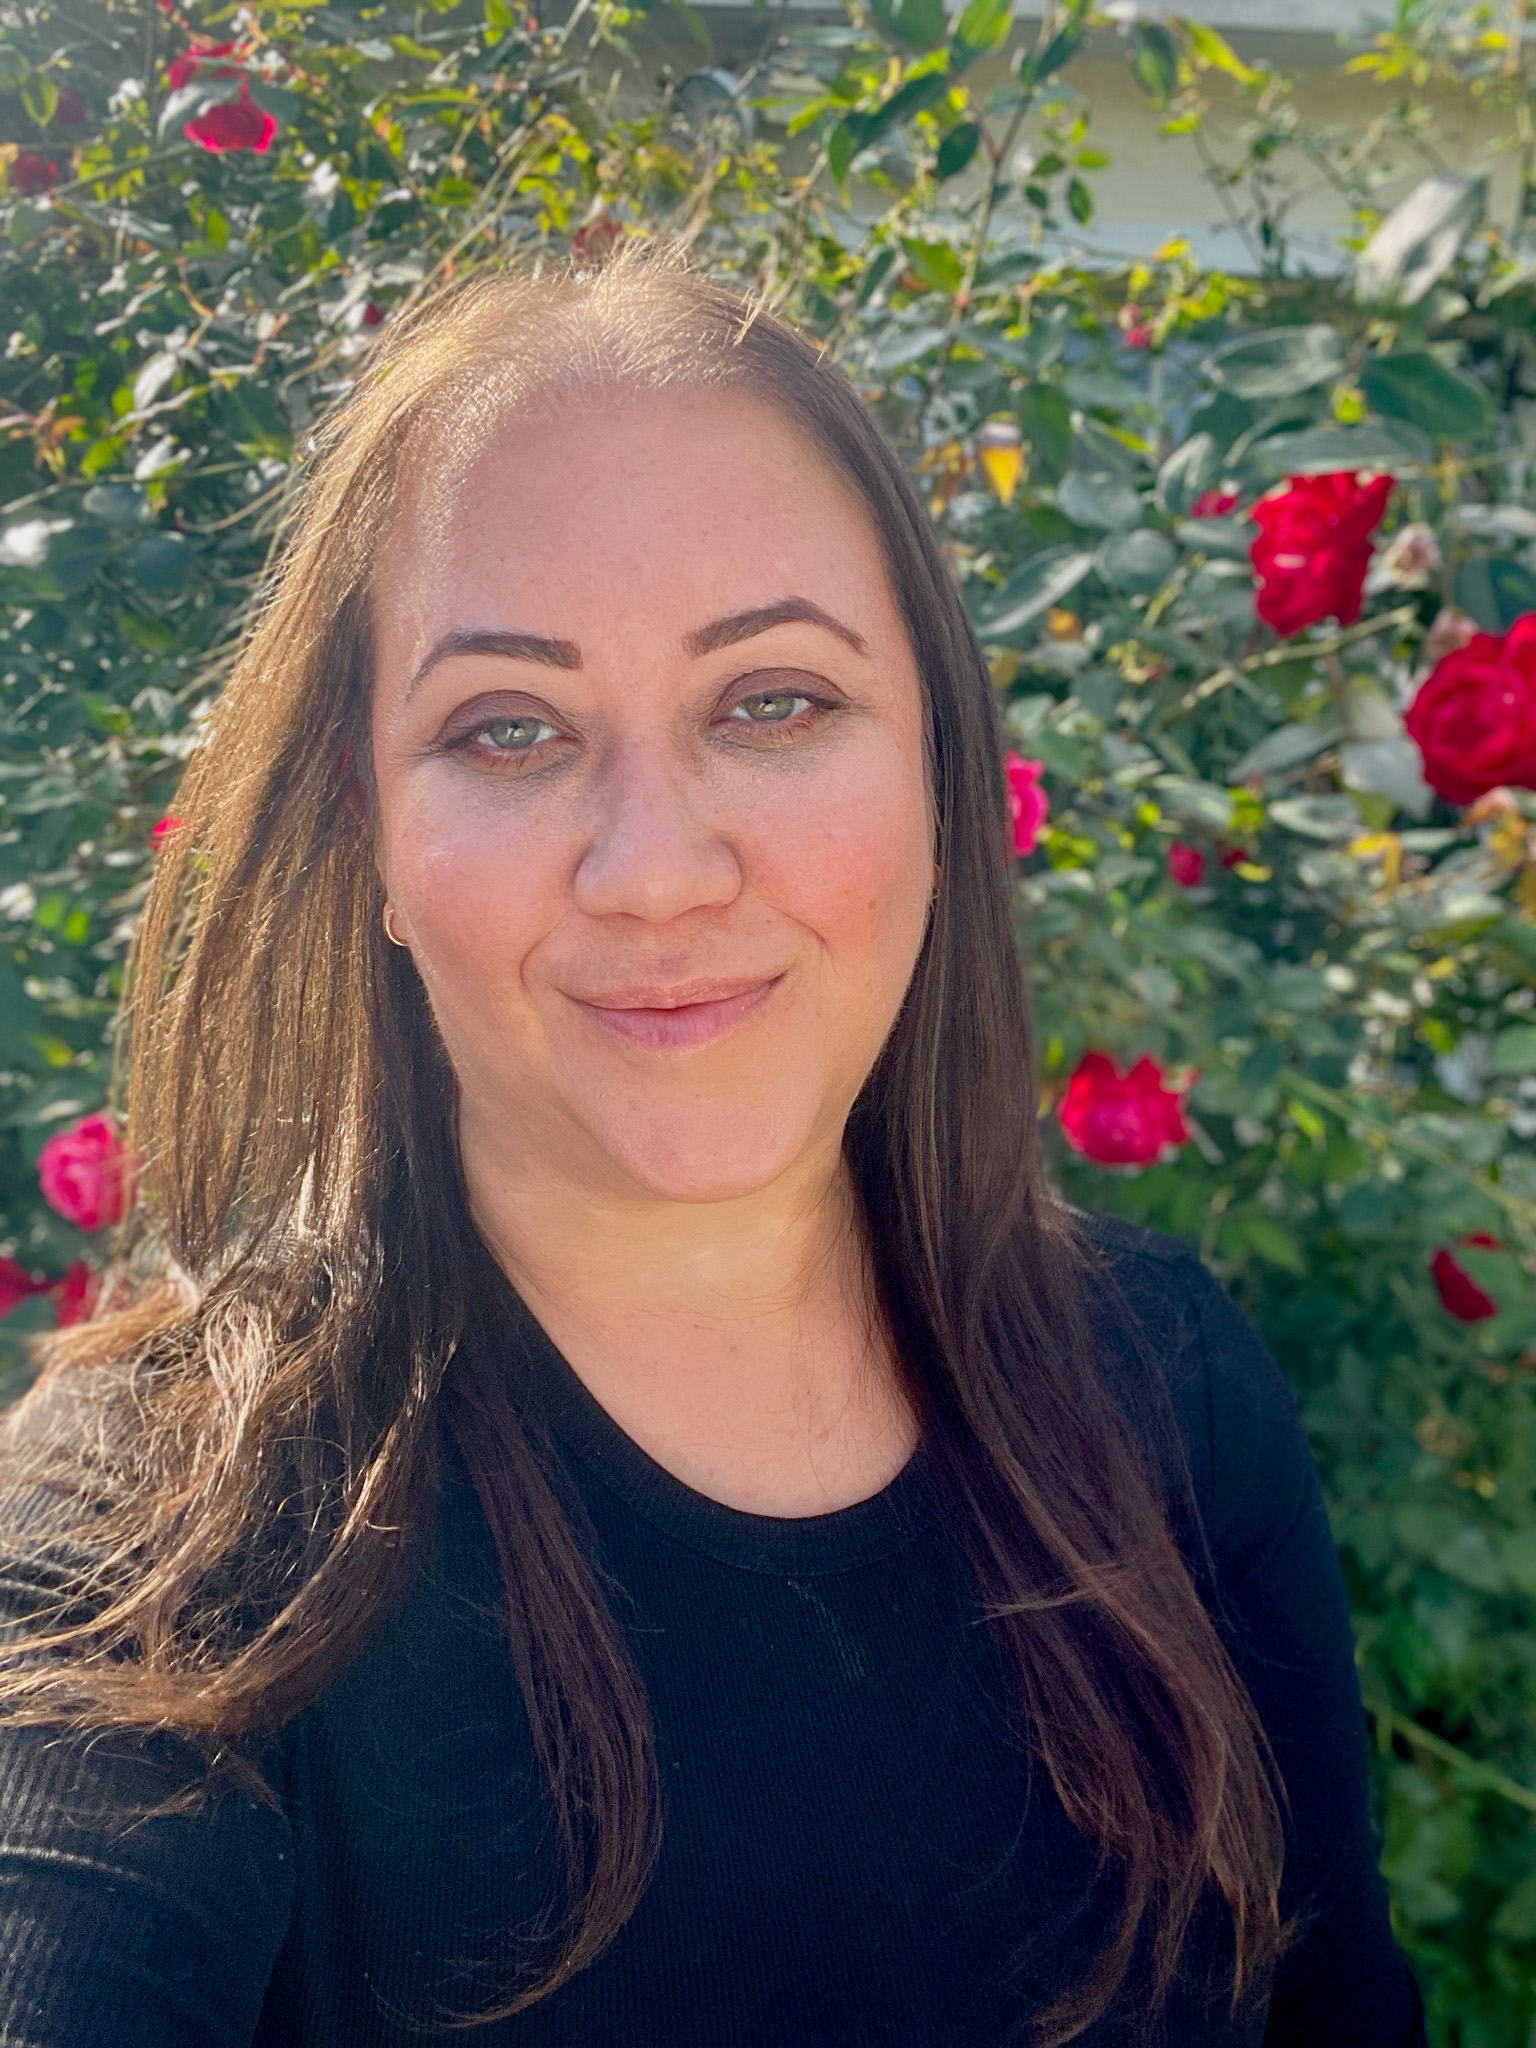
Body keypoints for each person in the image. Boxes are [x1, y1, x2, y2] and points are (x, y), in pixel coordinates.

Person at [0, 247, 1421, 2047]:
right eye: (507, 731)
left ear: (935, 763)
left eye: (775, 702)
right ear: (372, 837)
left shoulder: (1169, 1389)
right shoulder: (156, 1550)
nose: (656, 868)